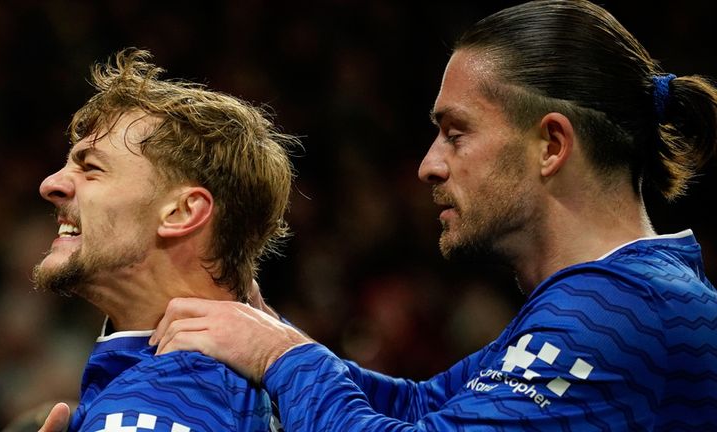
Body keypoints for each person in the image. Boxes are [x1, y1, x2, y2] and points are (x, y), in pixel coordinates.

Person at [144, 0, 717, 430]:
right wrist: (277, 339)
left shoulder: (621, 309)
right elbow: (423, 407)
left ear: (551, 145)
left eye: (455, 133)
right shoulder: (611, 295)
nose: (428, 166)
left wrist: (278, 356)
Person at [26, 47, 296, 431]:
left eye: (92, 168)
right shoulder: (281, 387)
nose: (50, 184)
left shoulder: (143, 413)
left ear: (182, 212)